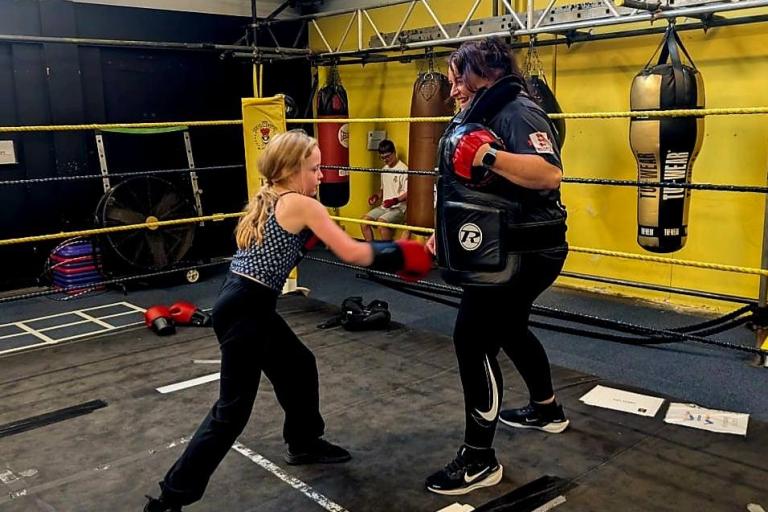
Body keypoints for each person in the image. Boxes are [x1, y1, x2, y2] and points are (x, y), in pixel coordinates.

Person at [144, 130, 432, 512]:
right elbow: (350, 251)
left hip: (246, 303)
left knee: (298, 365)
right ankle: (169, 499)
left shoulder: (270, 199)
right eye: (314, 169)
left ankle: (304, 442)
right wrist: (409, 254)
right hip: (247, 307)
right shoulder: (302, 204)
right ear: (293, 170)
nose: (320, 177)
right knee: (231, 413)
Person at [424, 37, 569, 495]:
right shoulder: (481, 110)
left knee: (472, 338)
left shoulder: (516, 110)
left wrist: (488, 154)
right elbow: (472, 184)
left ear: (483, 71)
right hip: (498, 246)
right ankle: (547, 408)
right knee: (508, 328)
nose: (453, 91)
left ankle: (479, 460)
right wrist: (445, 228)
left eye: (457, 80)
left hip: (523, 251)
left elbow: (548, 173)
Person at [361, 139, 409, 241]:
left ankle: (387, 254)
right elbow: (382, 190)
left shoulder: (404, 169)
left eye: (387, 156)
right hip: (385, 207)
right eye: (382, 158)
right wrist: (376, 196)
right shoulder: (384, 170)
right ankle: (371, 251)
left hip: (399, 208)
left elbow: (408, 193)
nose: (385, 160)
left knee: (381, 223)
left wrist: (394, 200)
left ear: (394, 153)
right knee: (364, 222)